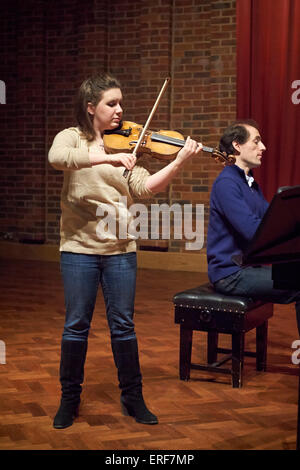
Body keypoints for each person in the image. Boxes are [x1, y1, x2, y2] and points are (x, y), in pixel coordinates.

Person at [48, 72, 202, 429]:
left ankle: (133, 396)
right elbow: (58, 158)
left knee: (123, 326)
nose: (120, 110)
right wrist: (106, 160)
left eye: (120, 103)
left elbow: (144, 187)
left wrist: (178, 162)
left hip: (121, 249)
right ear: (91, 108)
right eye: (111, 103)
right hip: (79, 249)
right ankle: (68, 399)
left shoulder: (128, 144)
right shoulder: (73, 138)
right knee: (76, 326)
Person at [207, 119, 300, 333]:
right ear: (237, 145)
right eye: (256, 141)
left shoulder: (249, 183)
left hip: (247, 268)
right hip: (230, 273)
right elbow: (254, 231)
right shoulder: (226, 183)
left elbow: (272, 221)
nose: (263, 147)